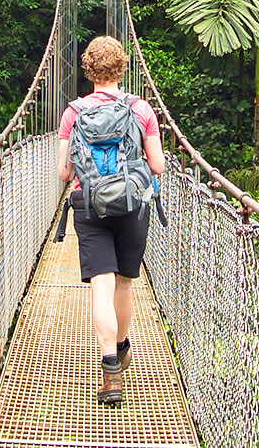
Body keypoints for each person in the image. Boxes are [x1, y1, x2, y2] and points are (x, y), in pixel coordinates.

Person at [57, 35, 164, 406]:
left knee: (100, 286)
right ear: (122, 68)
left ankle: (109, 374)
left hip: (88, 204)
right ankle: (121, 349)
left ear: (87, 69)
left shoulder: (73, 113)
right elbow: (157, 166)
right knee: (123, 285)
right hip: (133, 205)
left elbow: (63, 171)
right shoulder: (142, 109)